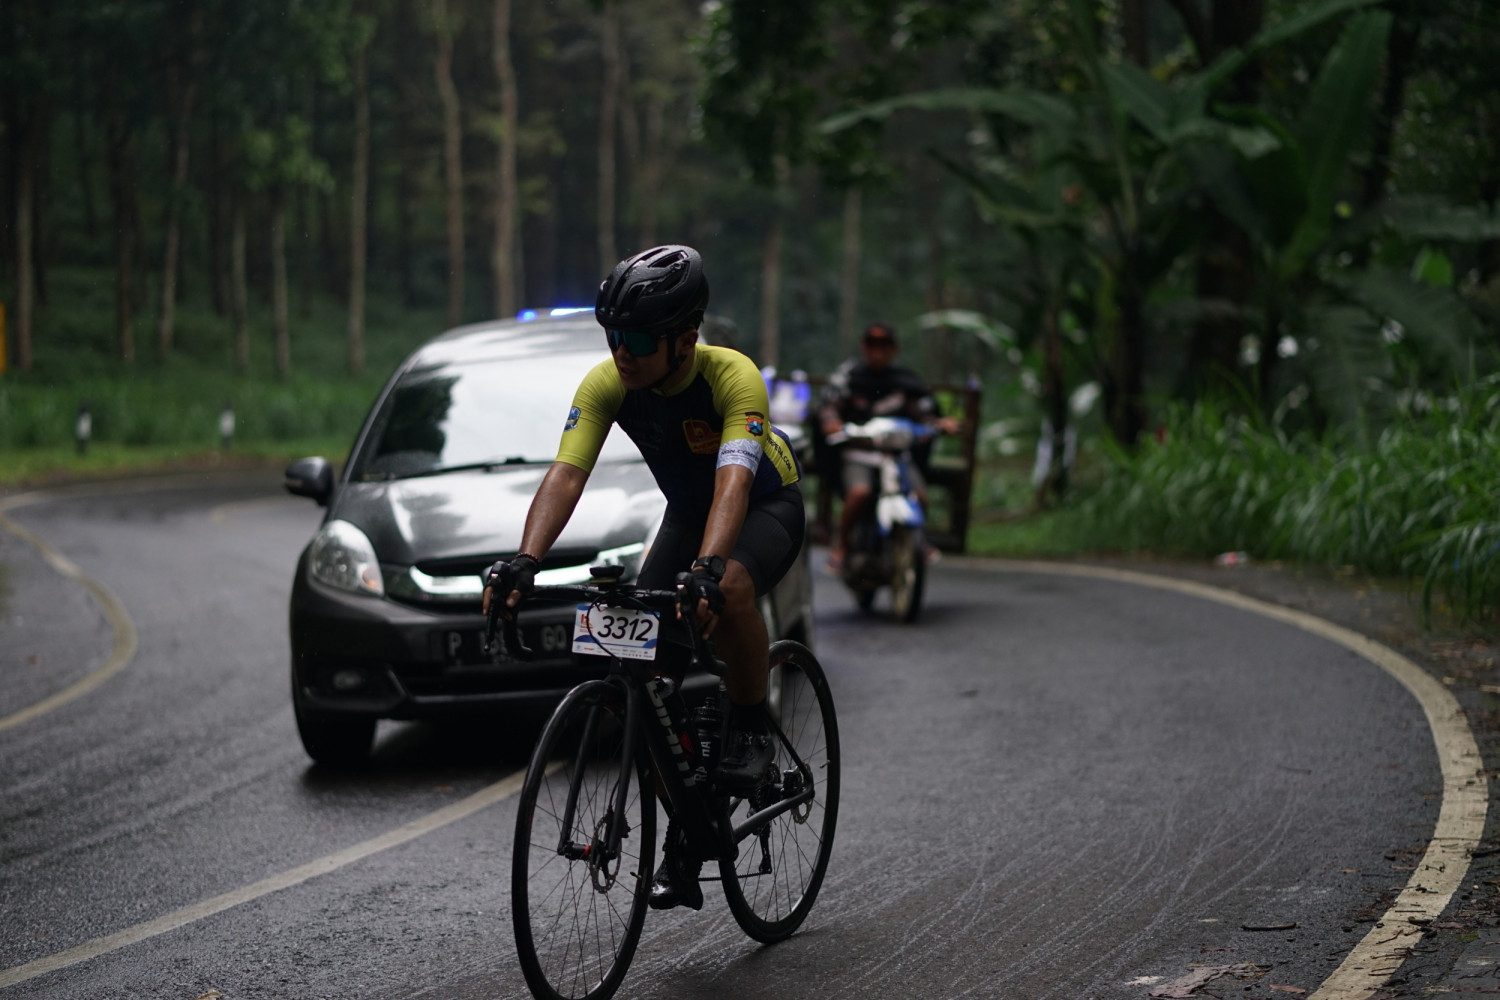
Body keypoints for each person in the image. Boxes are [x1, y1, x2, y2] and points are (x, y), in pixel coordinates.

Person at [482, 244, 805, 912]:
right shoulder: (608, 383)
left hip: (762, 506)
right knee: (641, 686)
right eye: (612, 337)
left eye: (634, 339)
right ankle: (690, 831)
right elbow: (567, 474)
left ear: (685, 339)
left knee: (731, 589)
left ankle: (750, 722)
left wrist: (708, 570)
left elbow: (733, 480)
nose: (620, 352)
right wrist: (525, 560)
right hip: (687, 517)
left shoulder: (732, 376)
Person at [819, 322, 959, 571]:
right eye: (872, 346)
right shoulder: (849, 378)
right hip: (860, 452)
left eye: (884, 346)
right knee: (859, 493)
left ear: (894, 349)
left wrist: (938, 424)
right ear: (864, 348)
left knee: (920, 495)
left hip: (896, 456)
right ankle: (841, 546)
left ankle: (919, 540)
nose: (878, 352)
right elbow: (829, 406)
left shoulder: (905, 381)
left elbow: (923, 410)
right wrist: (832, 422)